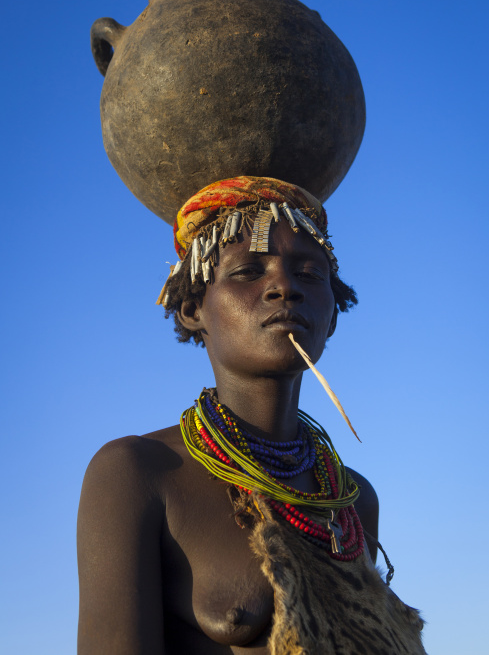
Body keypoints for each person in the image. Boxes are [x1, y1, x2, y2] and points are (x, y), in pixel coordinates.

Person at [77, 177, 426, 654]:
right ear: (192, 309)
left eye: (308, 273)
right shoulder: (137, 472)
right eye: (247, 272)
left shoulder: (351, 499)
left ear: (333, 316)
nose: (284, 286)